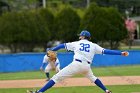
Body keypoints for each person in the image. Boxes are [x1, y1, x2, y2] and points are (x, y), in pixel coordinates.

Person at [27, 30, 129, 93]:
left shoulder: (77, 43)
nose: (79, 36)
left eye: (80, 35)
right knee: (93, 78)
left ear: (83, 37)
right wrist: (121, 53)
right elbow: (106, 51)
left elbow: (62, 45)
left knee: (56, 78)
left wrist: (53, 49)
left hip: (76, 64)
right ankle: (106, 90)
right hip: (86, 67)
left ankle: (40, 92)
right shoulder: (94, 45)